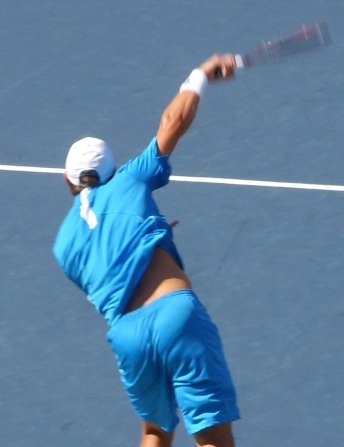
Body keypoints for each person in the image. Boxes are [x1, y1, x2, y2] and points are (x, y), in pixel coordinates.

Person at [53, 53, 240, 447]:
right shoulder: (129, 181)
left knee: (155, 431)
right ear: (111, 170)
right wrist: (201, 75)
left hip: (127, 337)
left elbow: (113, 267)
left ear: (66, 180)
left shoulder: (63, 246)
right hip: (175, 316)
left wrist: (149, 233)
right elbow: (173, 121)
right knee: (211, 436)